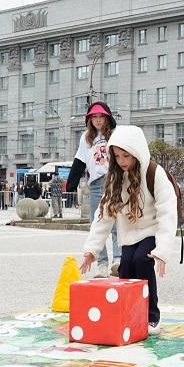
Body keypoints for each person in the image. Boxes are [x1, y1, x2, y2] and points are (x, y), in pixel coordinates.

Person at [78, 125, 177, 333]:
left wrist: (162, 251)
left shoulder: (154, 172)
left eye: (126, 156)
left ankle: (152, 316)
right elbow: (104, 214)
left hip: (152, 229)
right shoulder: (115, 177)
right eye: (117, 156)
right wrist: (92, 250)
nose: (122, 161)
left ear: (138, 152)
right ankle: (129, 311)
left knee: (142, 260)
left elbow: (168, 212)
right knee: (126, 268)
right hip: (129, 235)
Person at [66, 102, 120, 276]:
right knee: (97, 223)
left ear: (107, 118)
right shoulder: (86, 137)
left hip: (114, 181)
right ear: (89, 119)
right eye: (94, 117)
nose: (98, 120)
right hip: (96, 184)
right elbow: (80, 160)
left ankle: (118, 261)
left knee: (116, 222)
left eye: (101, 117)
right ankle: (102, 264)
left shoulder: (115, 134)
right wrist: (71, 184)